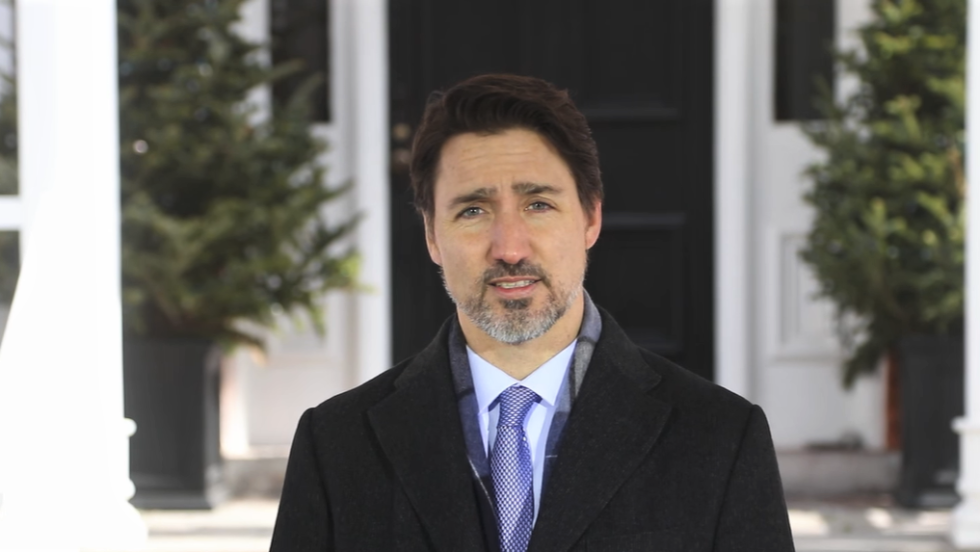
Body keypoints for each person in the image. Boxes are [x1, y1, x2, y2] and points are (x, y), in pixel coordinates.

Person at [270, 74, 795, 552]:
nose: (509, 248)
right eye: (473, 210)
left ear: (590, 218)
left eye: (538, 204)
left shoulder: (720, 438)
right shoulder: (335, 446)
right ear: (432, 236)